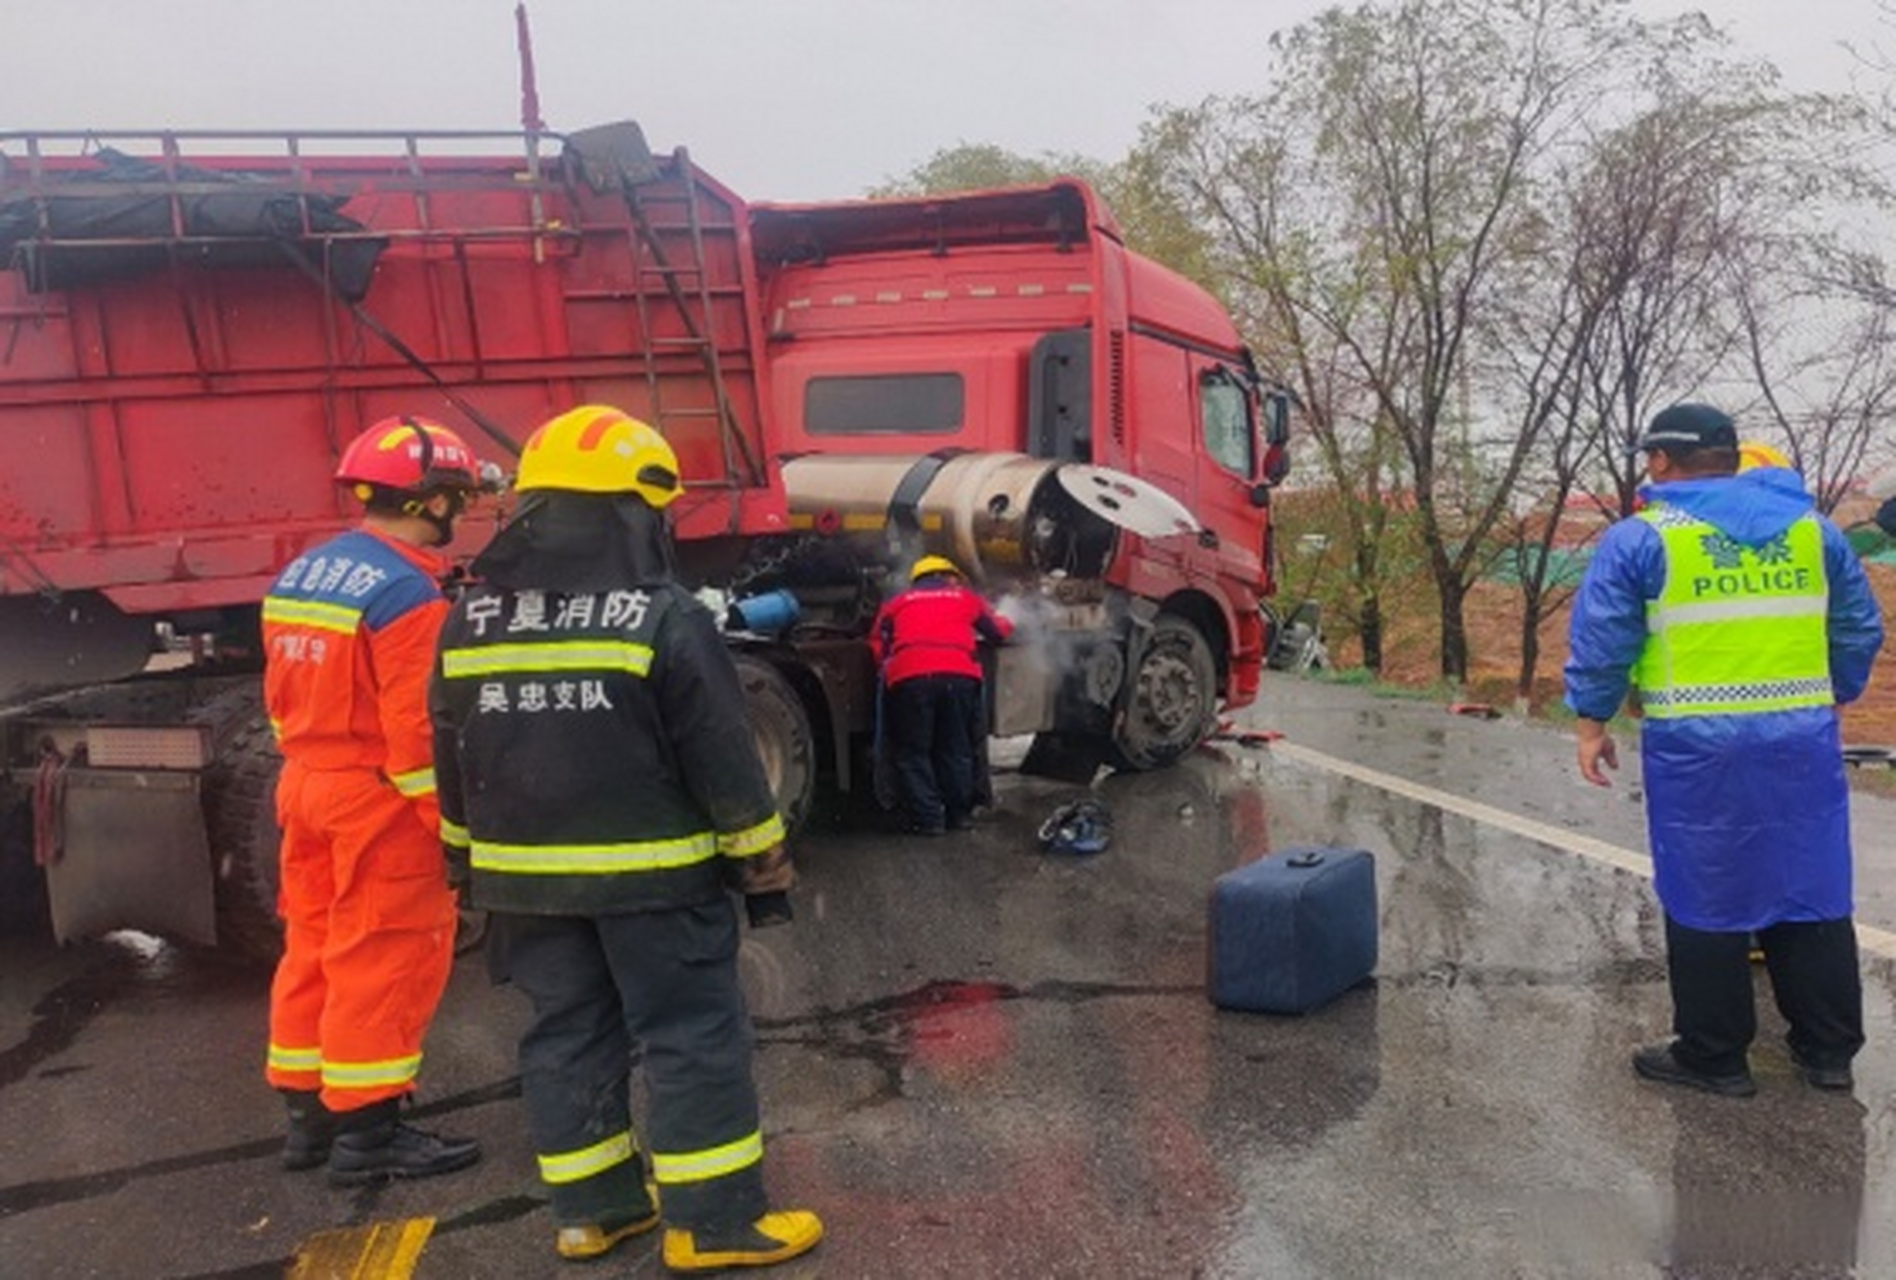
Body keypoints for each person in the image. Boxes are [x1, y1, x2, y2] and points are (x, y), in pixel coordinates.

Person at [429, 405, 823, 1271]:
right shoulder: (664, 615)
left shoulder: (468, 619)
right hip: (656, 887)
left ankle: (592, 1213)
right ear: (627, 512)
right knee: (690, 1034)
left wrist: (463, 864)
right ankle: (713, 1223)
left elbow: (451, 759)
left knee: (566, 1033)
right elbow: (723, 755)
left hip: (523, 890)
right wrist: (762, 860)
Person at [1564, 403, 1884, 1097]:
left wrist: (1591, 722)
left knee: (1706, 890)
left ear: (1658, 461)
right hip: (1799, 735)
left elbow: (1604, 640)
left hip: (1698, 745)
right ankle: (1827, 1051)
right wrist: (1835, 691)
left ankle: (1715, 1056)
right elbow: (1858, 626)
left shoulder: (1641, 539)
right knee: (1811, 885)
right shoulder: (1814, 532)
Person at [261, 415, 487, 1184]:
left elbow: (279, 698)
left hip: (305, 786)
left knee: (315, 946)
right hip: (377, 801)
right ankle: (369, 1134)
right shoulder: (408, 594)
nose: (461, 514)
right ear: (430, 504)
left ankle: (310, 1120)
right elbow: (419, 737)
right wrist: (453, 833)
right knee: (385, 955)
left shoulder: (303, 574)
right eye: (457, 498)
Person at [870, 555, 1015, 835]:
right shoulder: (965, 598)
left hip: (909, 679)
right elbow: (997, 632)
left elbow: (878, 642)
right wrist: (1010, 621)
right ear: (947, 576)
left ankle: (928, 820)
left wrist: (887, 666)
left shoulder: (897, 603)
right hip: (959, 678)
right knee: (956, 748)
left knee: (913, 752)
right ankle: (958, 816)